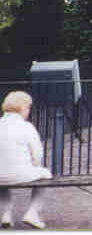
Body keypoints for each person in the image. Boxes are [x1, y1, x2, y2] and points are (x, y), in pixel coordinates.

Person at [0, 91, 52, 229]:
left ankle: (5, 214)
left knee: (2, 177)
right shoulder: (26, 127)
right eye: (28, 108)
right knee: (45, 175)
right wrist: (34, 166)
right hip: (20, 173)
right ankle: (33, 213)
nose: (28, 111)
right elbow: (38, 154)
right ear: (22, 108)